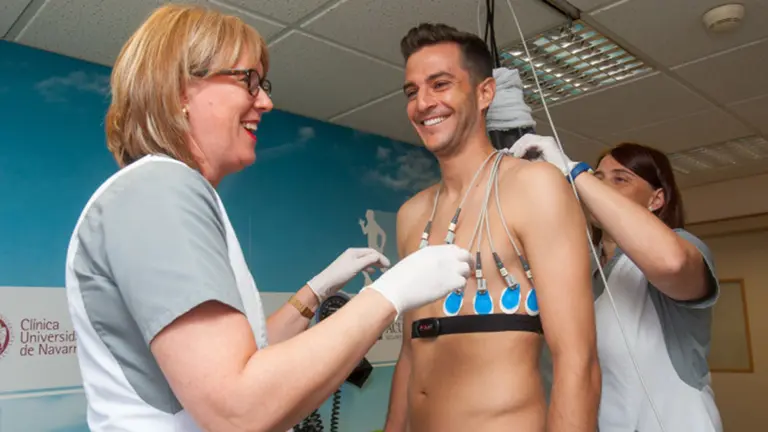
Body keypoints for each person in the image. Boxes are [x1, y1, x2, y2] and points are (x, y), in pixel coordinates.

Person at [63, 5, 473, 432]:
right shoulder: (158, 190)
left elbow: (245, 360)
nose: (265, 101)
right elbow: (238, 408)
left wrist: (316, 290)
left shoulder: (162, 192)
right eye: (249, 81)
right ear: (181, 90)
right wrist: (391, 293)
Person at [383, 23, 601, 432]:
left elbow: (578, 362)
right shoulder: (410, 215)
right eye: (412, 91)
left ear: (485, 93)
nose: (423, 103)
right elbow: (411, 354)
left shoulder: (534, 187)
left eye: (440, 84)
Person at [508, 138, 723, 431]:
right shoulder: (582, 269)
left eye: (620, 179)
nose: (603, 186)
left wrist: (574, 171)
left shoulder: (681, 247)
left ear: (656, 199)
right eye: (598, 178)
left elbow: (672, 263)